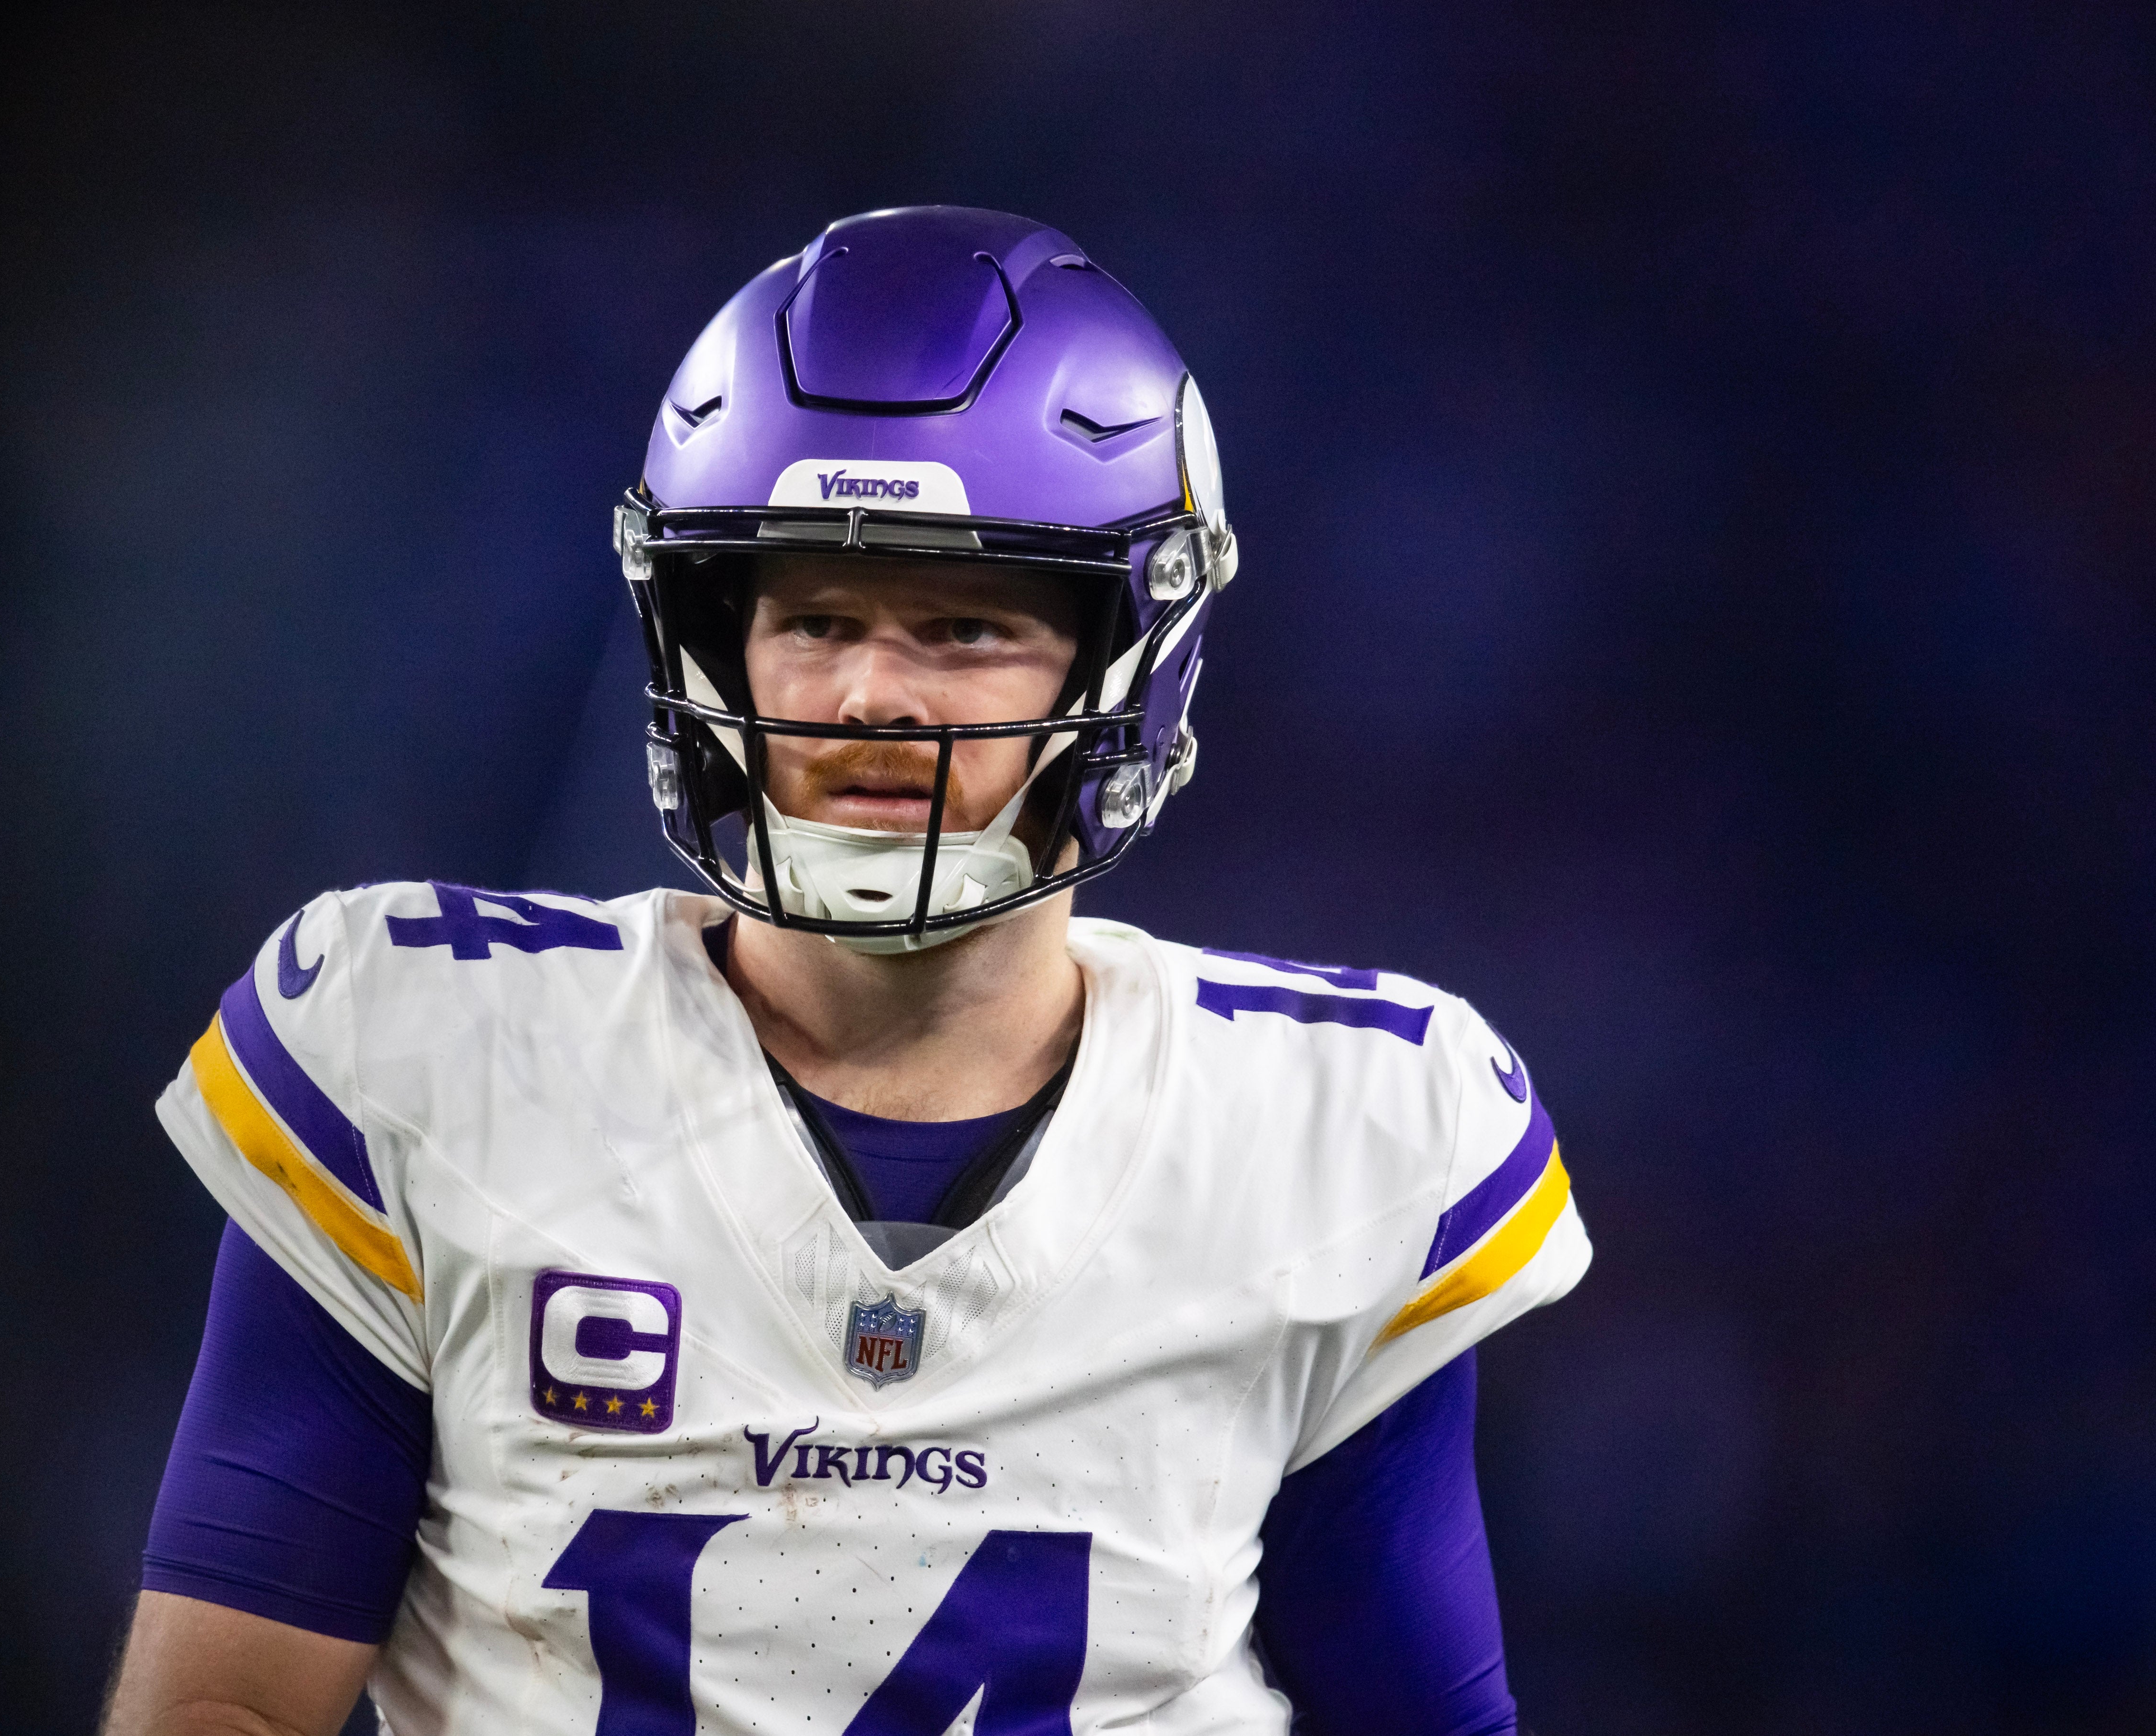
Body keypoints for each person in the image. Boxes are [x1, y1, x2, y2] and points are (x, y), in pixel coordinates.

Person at [101, 206, 1589, 1736]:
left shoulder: (1337, 1138)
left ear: (1132, 663)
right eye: (814, 619)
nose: (873, 693)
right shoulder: (429, 1061)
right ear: (705, 640)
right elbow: (231, 1712)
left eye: (966, 627)